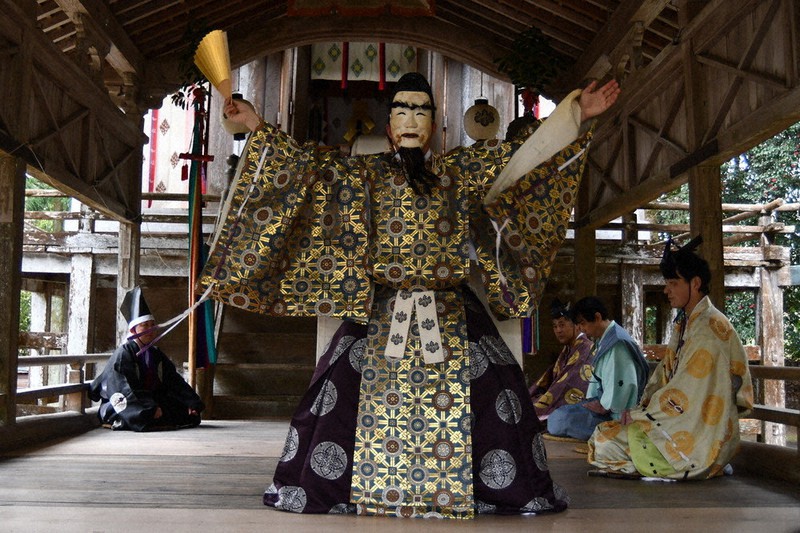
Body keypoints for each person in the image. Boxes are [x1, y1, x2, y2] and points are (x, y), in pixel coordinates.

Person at [200, 72, 619, 518]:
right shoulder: (363, 173)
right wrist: (256, 126)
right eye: (401, 110)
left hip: (450, 308)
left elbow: (524, 158)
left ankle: (483, 489)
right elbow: (306, 167)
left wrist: (575, 114)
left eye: (421, 110)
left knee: (498, 399)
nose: (411, 119)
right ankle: (350, 489)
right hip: (381, 311)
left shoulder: (463, 170)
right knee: (336, 397)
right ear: (389, 126)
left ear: (434, 124)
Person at [588, 237, 754, 480]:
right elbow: (664, 375)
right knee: (603, 435)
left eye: (673, 283)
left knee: (605, 443)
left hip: (698, 431)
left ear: (695, 283)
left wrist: (640, 415)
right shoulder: (687, 322)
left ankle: (703, 461)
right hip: (682, 422)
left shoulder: (709, 329)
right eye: (667, 283)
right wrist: (640, 410)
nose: (666, 290)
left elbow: (687, 389)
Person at [89, 287, 204, 431]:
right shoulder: (124, 354)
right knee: (146, 415)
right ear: (133, 330)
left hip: (150, 399)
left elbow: (173, 380)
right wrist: (149, 408)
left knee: (190, 414)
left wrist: (191, 402)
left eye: (152, 325)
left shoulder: (155, 353)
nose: (150, 329)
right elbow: (123, 387)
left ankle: (155, 412)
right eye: (145, 325)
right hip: (125, 404)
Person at [546, 296, 649, 441]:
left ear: (597, 317)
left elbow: (623, 385)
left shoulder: (617, 344)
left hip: (616, 413)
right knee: (558, 415)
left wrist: (605, 406)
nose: (581, 329)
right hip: (603, 403)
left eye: (583, 323)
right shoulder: (606, 338)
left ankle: (612, 430)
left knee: (559, 420)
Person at [529, 298, 594, 420]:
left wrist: (540, 405)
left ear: (576, 325)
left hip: (579, 410)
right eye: (555, 326)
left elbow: (567, 385)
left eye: (562, 325)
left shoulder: (585, 349)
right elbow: (550, 379)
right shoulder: (568, 348)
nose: (558, 330)